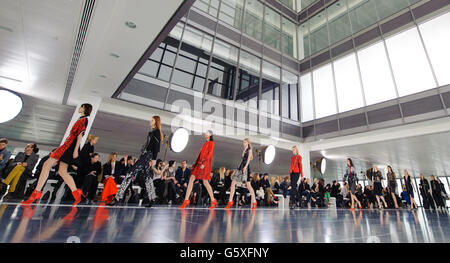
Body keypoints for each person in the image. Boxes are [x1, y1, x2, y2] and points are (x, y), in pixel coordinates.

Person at [22, 103, 92, 206]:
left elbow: (80, 135)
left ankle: (37, 192)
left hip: (68, 146)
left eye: (81, 106)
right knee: (62, 171)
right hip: (68, 145)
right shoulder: (81, 119)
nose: (79, 108)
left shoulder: (84, 120)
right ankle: (77, 193)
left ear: (85, 109)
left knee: (47, 165)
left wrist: (76, 150)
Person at [108, 116, 162, 207]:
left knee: (130, 173)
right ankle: (152, 198)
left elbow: (156, 146)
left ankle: (117, 197)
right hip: (145, 155)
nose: (150, 121)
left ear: (156, 122)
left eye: (152, 120)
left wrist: (154, 159)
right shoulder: (153, 132)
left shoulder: (156, 132)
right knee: (147, 177)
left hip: (147, 156)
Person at [179, 130, 216, 209]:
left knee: (205, 182)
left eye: (207, 132)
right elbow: (201, 155)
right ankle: (186, 199)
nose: (205, 133)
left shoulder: (211, 143)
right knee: (191, 178)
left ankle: (213, 200)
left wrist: (204, 164)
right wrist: (195, 164)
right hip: (199, 164)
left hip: (204, 165)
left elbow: (209, 155)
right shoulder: (205, 143)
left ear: (210, 134)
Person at [225, 138, 257, 210]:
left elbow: (248, 159)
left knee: (248, 185)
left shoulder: (250, 150)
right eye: (243, 142)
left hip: (245, 168)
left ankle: (254, 202)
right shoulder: (244, 150)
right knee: (233, 183)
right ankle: (230, 201)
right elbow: (242, 160)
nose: (244, 143)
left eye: (245, 142)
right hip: (240, 168)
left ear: (248, 143)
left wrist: (245, 167)